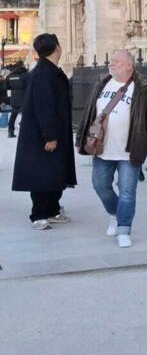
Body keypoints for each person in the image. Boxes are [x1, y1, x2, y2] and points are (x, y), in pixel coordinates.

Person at [76, 49, 147, 247]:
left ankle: (124, 228)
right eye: (111, 60)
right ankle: (115, 213)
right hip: (103, 149)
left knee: (127, 191)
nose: (111, 63)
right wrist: (81, 139)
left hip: (130, 150)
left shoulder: (144, 88)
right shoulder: (102, 83)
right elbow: (89, 113)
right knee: (100, 185)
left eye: (116, 61)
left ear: (129, 65)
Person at [11, 34, 76, 230]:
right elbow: (44, 107)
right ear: (57, 48)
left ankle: (52, 209)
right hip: (44, 135)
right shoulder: (42, 74)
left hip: (55, 131)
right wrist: (50, 135)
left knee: (55, 171)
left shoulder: (50, 71)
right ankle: (38, 214)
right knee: (41, 174)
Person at [6, 60, 27, 137]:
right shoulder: (25, 74)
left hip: (14, 97)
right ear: (22, 65)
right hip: (24, 97)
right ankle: (25, 132)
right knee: (26, 114)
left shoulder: (10, 76)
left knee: (13, 115)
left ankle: (10, 131)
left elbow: (7, 87)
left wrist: (9, 97)